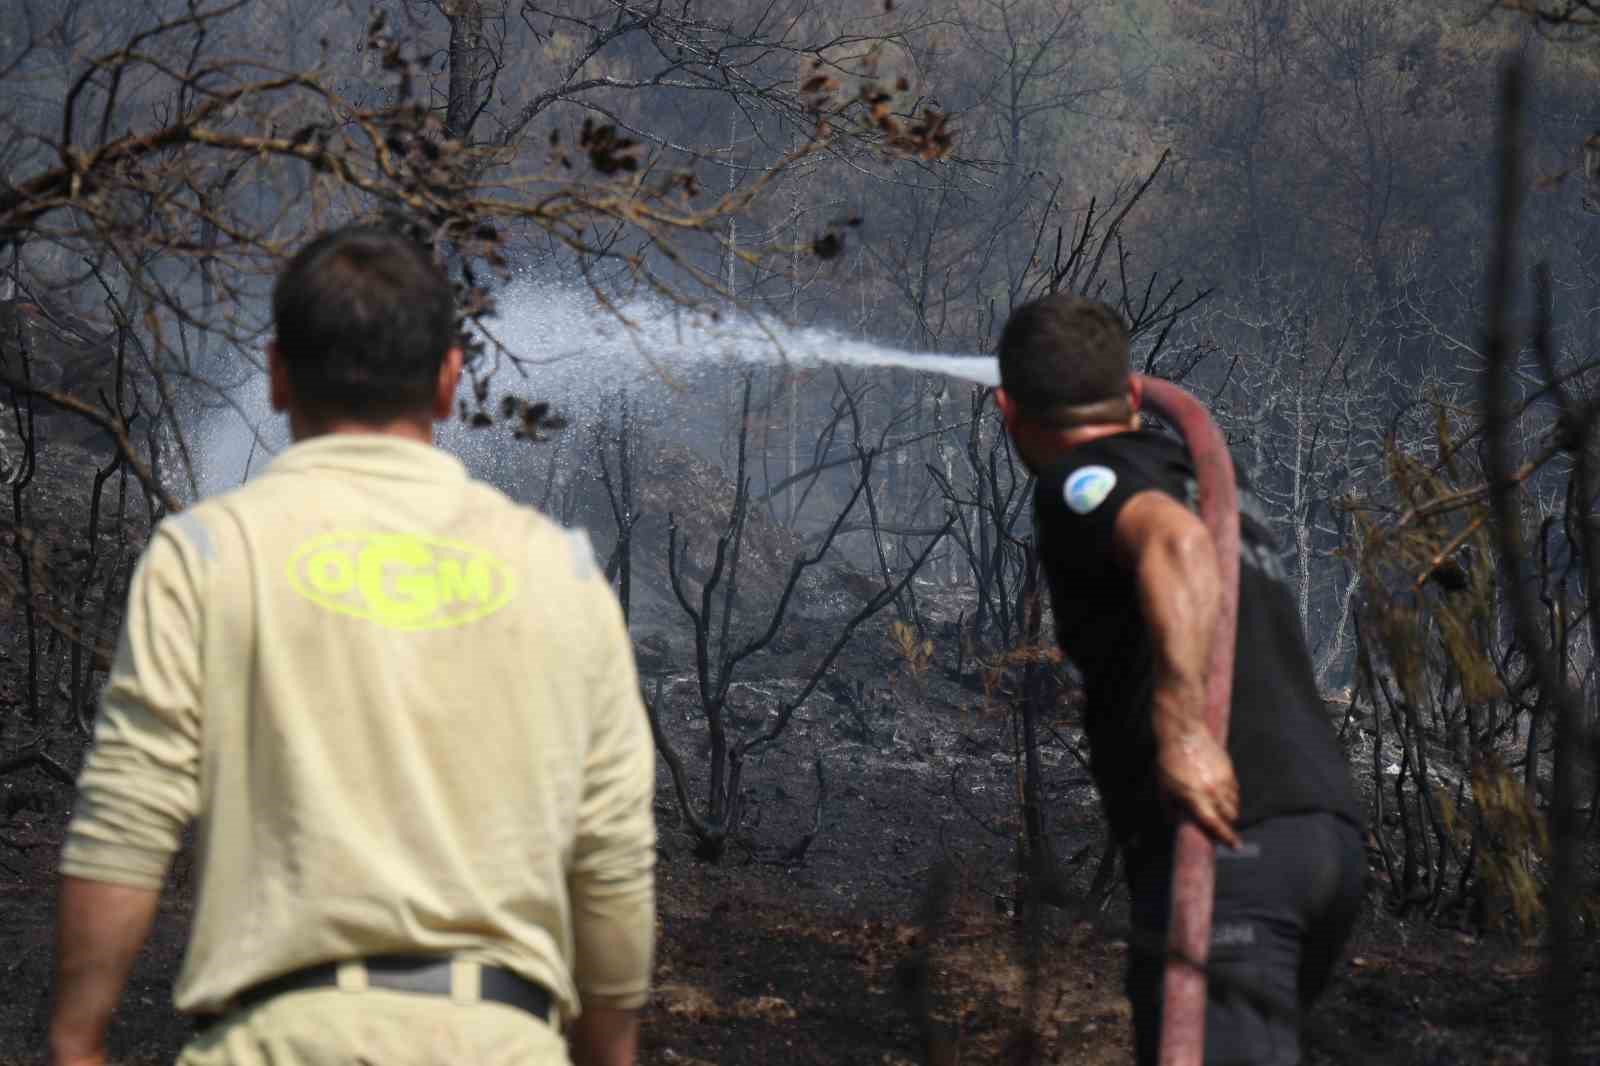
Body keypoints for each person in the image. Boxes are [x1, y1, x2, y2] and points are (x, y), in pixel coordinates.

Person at [49, 224, 657, 1066]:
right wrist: (609, 1049)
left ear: (276, 375)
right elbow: (613, 857)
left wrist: (77, 1038)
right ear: (448, 382)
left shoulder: (210, 553)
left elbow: (126, 819)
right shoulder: (563, 572)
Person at [994, 294, 1364, 1065]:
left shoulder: (1082, 478)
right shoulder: (1193, 472)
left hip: (1228, 844)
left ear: (1007, 409)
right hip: (1318, 837)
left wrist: (1185, 731)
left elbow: (1177, 548)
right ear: (1131, 395)